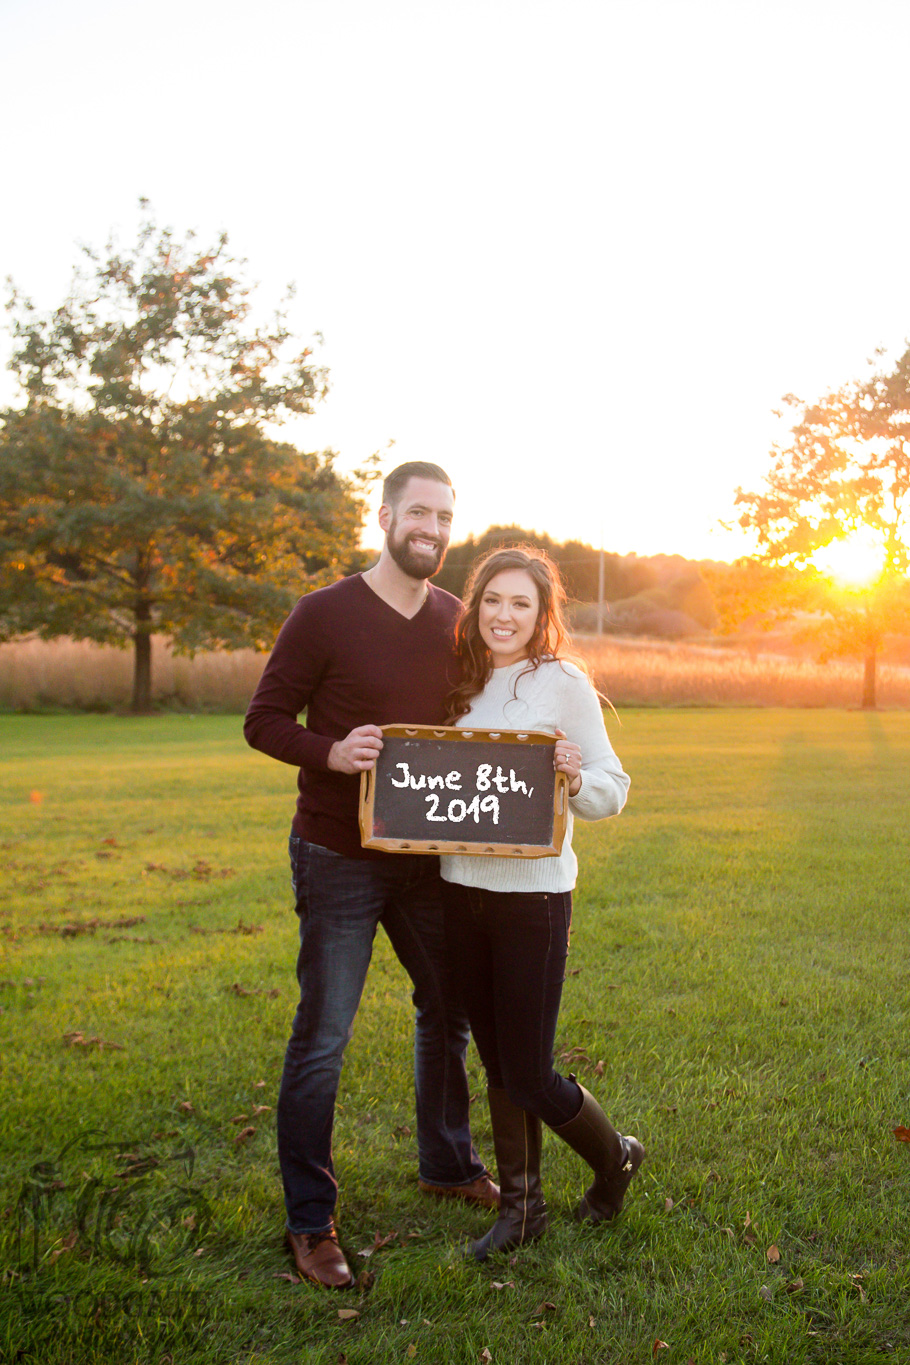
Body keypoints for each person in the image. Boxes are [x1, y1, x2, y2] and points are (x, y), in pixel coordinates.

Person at [243, 461, 497, 1291]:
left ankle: (447, 1162)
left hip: (426, 859)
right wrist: (330, 749)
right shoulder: (322, 613)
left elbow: (479, 723)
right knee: (325, 1034)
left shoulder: (458, 619)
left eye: (445, 516)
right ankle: (310, 1221)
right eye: (419, 511)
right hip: (336, 854)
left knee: (449, 1006)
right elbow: (263, 719)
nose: (432, 527)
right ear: (385, 515)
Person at [439, 546, 643, 1260]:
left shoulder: (561, 682)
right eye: (493, 599)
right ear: (477, 604)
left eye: (520, 603)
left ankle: (614, 1154)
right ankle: (523, 1212)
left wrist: (576, 773)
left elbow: (613, 788)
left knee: (527, 1067)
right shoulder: (458, 681)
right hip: (460, 893)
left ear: (541, 613)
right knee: (496, 1061)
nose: (504, 614)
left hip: (534, 897)